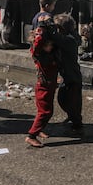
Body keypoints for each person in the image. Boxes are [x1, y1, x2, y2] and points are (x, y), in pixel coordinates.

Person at [26, 18, 61, 147]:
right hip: (43, 87)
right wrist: (42, 31)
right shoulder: (39, 55)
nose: (50, 47)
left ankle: (39, 129)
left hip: (49, 85)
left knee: (47, 111)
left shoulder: (49, 54)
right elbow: (38, 45)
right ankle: (31, 135)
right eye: (48, 45)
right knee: (45, 112)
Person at [54, 13, 83, 133]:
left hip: (72, 76)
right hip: (70, 75)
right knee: (67, 99)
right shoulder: (72, 36)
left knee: (68, 100)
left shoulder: (68, 40)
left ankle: (77, 123)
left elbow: (55, 38)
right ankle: (74, 118)